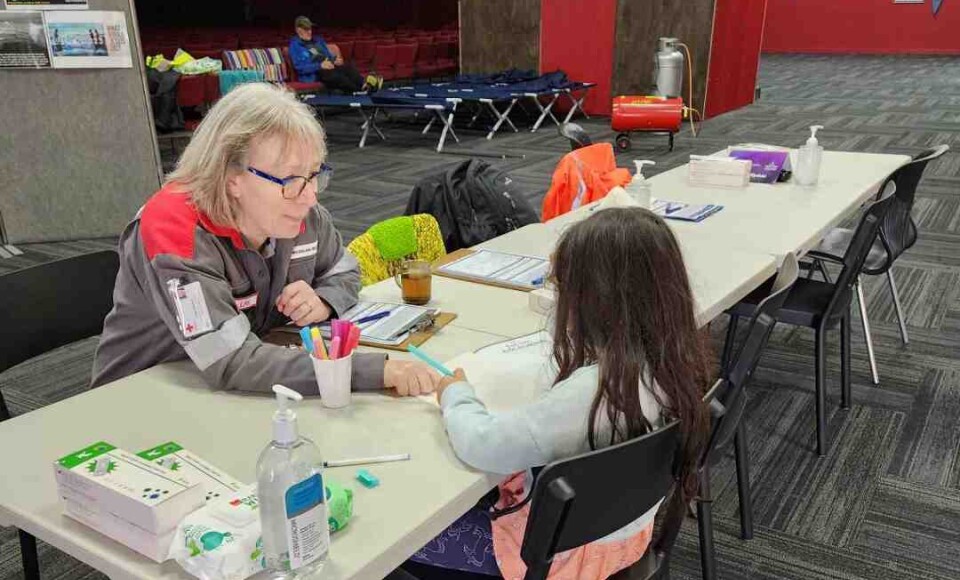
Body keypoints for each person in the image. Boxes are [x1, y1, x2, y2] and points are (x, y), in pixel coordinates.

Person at [405, 208, 712, 579]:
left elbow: (481, 444)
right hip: (627, 536)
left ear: (593, 301)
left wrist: (455, 394)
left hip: (555, 559)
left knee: (401, 536)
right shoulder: (676, 364)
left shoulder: (594, 394)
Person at [92, 83, 438, 398]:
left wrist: (324, 299)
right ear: (231, 178)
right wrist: (376, 370)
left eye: (314, 174)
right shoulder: (174, 232)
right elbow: (233, 360)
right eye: (290, 179)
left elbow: (345, 270)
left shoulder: (298, 211)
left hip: (228, 390)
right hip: (140, 398)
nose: (310, 196)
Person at [288, 15, 379, 93]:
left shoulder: (318, 40)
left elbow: (328, 56)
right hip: (316, 72)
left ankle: (365, 84)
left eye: (310, 29)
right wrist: (320, 66)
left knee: (348, 67)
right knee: (335, 76)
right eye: (306, 29)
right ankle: (359, 90)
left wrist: (334, 60)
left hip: (329, 66)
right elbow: (300, 68)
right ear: (298, 30)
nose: (309, 32)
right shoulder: (295, 46)